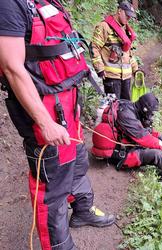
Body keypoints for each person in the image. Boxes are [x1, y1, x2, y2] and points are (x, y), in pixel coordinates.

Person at [0, 1, 114, 249]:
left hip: (67, 104)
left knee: (78, 160)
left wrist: (76, 102)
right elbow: (11, 67)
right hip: (44, 112)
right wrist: (45, 122)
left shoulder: (46, 2)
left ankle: (83, 208)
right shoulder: (9, 4)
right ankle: (60, 245)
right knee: (53, 185)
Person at [91, 93, 162, 183]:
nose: (152, 116)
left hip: (124, 145)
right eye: (152, 113)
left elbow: (144, 131)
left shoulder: (132, 109)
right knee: (158, 155)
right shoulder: (126, 116)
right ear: (145, 109)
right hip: (119, 155)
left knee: (159, 147)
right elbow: (144, 138)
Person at [91, 1, 138, 100]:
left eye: (130, 16)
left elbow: (129, 54)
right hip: (111, 77)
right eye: (127, 15)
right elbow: (94, 48)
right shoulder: (104, 27)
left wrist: (136, 70)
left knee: (126, 108)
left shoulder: (125, 30)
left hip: (126, 77)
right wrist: (99, 68)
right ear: (119, 11)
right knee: (114, 109)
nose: (129, 18)